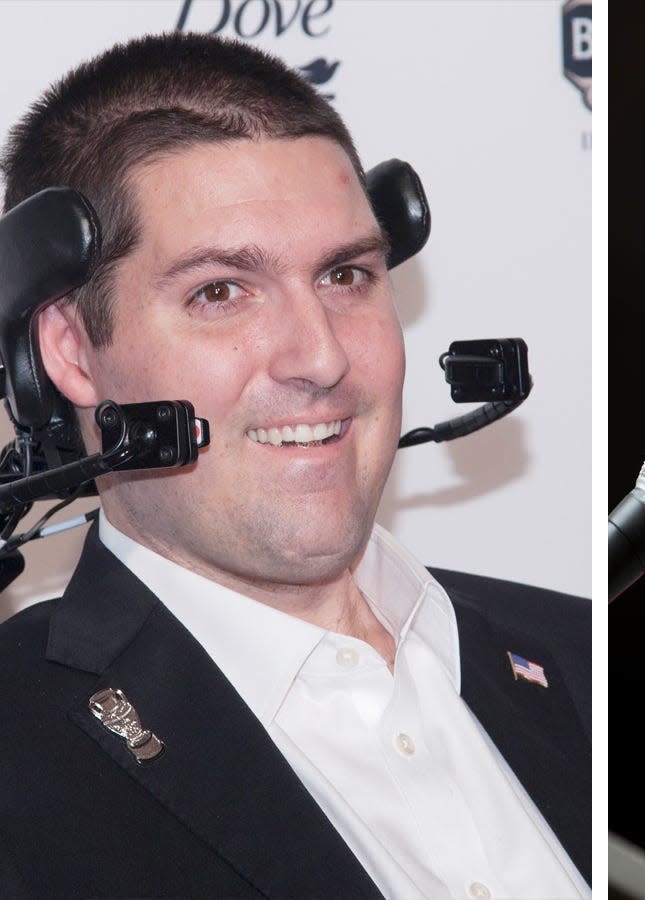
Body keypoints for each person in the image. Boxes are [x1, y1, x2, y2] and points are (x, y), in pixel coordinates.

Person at [0, 31, 590, 899]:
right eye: (220, 292)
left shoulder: (583, 649)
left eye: (346, 275)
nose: (319, 357)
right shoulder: (18, 760)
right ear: (73, 351)